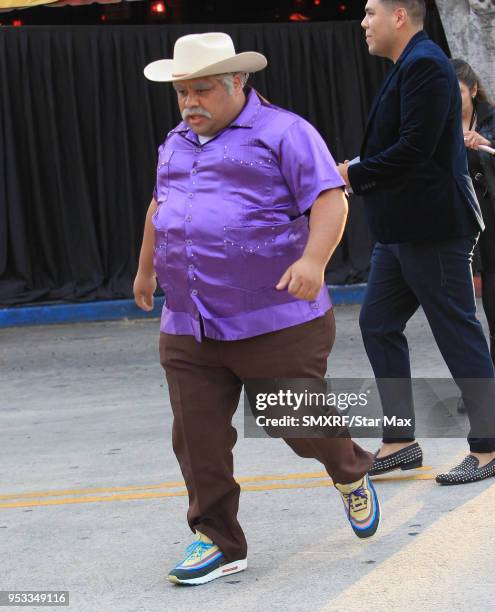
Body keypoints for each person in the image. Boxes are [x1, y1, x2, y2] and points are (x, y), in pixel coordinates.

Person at [134, 32, 380, 586]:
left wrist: (315, 260)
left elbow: (328, 196)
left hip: (274, 315)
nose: (190, 103)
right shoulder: (174, 142)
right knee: (195, 434)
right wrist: (147, 267)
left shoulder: (285, 132)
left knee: (292, 418)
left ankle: (348, 470)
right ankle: (217, 540)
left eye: (201, 91)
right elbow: (160, 205)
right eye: (181, 93)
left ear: (237, 83)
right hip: (189, 319)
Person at [337, 0, 495, 484]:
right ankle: (400, 440)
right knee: (378, 323)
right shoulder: (409, 65)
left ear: (399, 16)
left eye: (370, 12)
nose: (364, 22)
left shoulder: (426, 64)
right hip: (401, 231)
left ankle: (489, 447)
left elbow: (414, 149)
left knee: (456, 331)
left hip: (434, 229)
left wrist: (355, 172)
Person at [452, 58, 495, 368]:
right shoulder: (436, 125)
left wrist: (487, 146)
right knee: (460, 311)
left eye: (459, 92)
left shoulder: (491, 120)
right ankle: (477, 381)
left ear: (474, 90)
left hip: (490, 221)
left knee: (493, 306)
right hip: (457, 223)